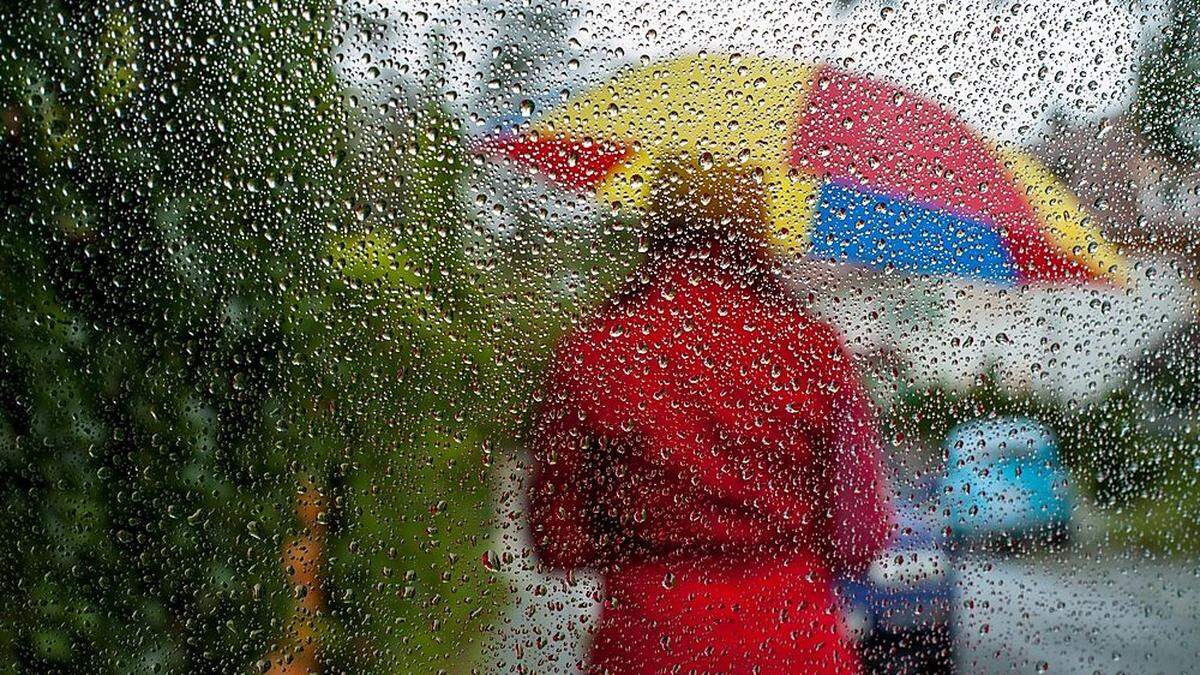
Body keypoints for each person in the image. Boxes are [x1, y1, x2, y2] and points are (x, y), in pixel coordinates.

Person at [527, 164, 892, 674]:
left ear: (655, 226)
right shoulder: (814, 351)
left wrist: (640, 519)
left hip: (650, 645)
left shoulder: (598, 350)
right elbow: (861, 539)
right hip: (796, 642)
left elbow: (557, 541)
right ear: (759, 233)